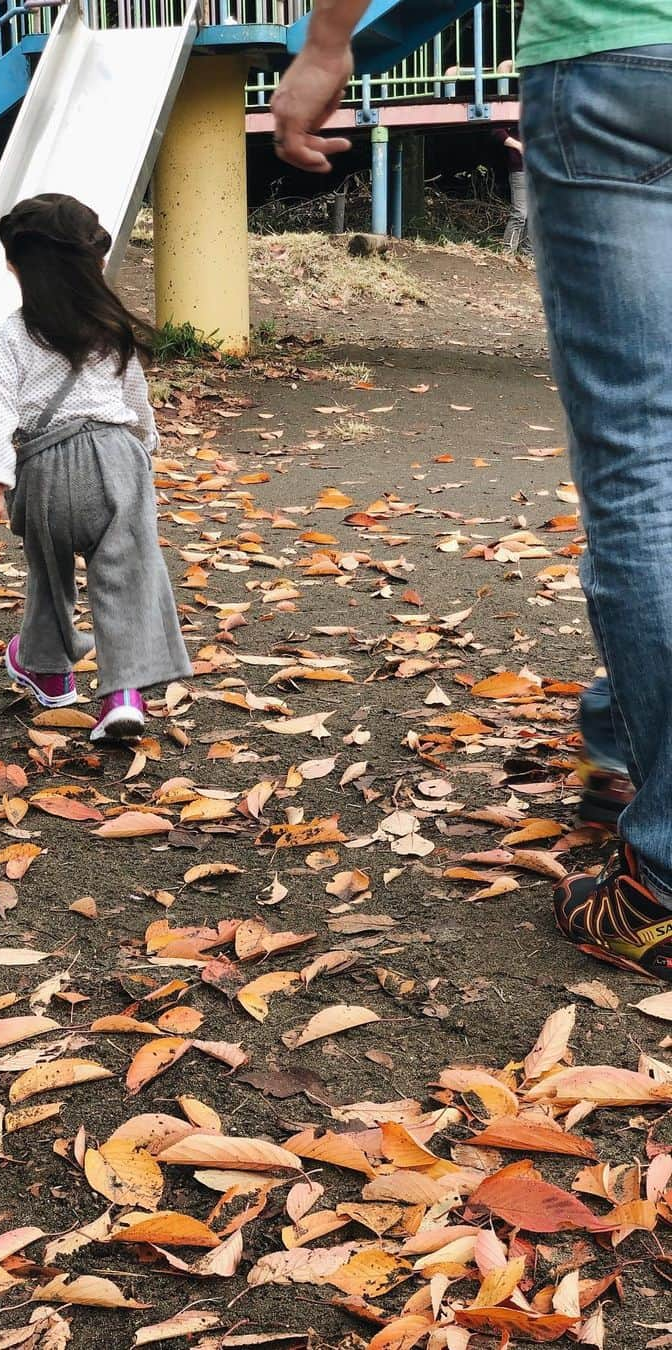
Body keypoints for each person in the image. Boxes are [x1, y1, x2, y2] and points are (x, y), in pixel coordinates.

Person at [273, 0, 672, 978]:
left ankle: (665, 881)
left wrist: (328, 42)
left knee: (639, 458)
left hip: (612, 61)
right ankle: (624, 732)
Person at [0, 193, 192, 743]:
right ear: (94, 264)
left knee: (49, 575)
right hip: (117, 462)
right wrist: (147, 442)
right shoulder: (109, 326)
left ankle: (48, 669)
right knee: (128, 575)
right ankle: (123, 693)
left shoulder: (9, 338)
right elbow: (135, 401)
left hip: (44, 469)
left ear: (14, 266)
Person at [492, 123, 531, 257]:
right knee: (520, 213)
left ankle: (527, 254)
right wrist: (518, 146)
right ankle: (507, 253)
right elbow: (496, 130)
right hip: (520, 168)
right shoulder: (513, 108)